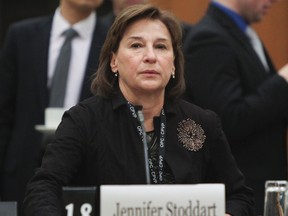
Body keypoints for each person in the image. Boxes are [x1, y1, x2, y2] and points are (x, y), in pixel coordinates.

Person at [24, 4, 255, 216]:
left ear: (173, 64)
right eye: (136, 45)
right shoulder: (84, 120)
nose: (151, 57)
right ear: (114, 61)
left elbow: (239, 195)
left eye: (161, 47)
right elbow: (43, 187)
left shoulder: (202, 122)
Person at [0, 0, 108, 215]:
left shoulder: (112, 42)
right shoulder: (21, 35)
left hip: (83, 176)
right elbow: (4, 113)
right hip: (20, 171)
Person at [183, 0, 288, 214]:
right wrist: (282, 81)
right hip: (243, 195)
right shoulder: (209, 37)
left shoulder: (243, 32)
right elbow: (228, 119)